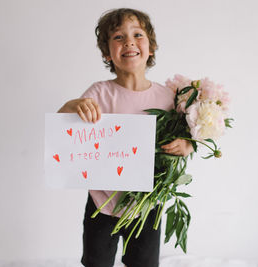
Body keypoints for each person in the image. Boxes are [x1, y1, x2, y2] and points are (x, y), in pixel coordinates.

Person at [58, 8, 194, 267]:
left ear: (151, 48)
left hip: (147, 206)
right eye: (118, 37)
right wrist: (72, 106)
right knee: (96, 262)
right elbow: (63, 130)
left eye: (137, 34)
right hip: (102, 202)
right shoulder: (99, 92)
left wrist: (186, 145)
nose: (129, 41)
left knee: (143, 263)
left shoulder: (167, 98)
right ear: (107, 54)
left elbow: (185, 140)